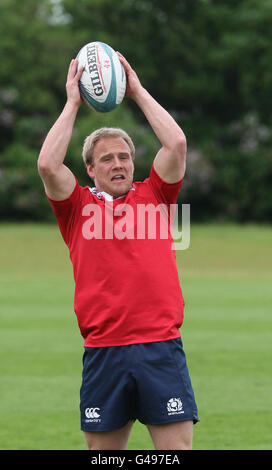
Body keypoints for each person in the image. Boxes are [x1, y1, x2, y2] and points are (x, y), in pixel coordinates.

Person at [38, 52, 198, 450]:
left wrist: (137, 91)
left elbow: (176, 143)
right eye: (106, 158)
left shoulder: (156, 195)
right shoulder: (76, 208)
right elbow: (46, 165)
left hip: (159, 346)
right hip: (103, 350)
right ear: (90, 169)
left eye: (124, 156)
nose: (118, 164)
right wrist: (73, 102)